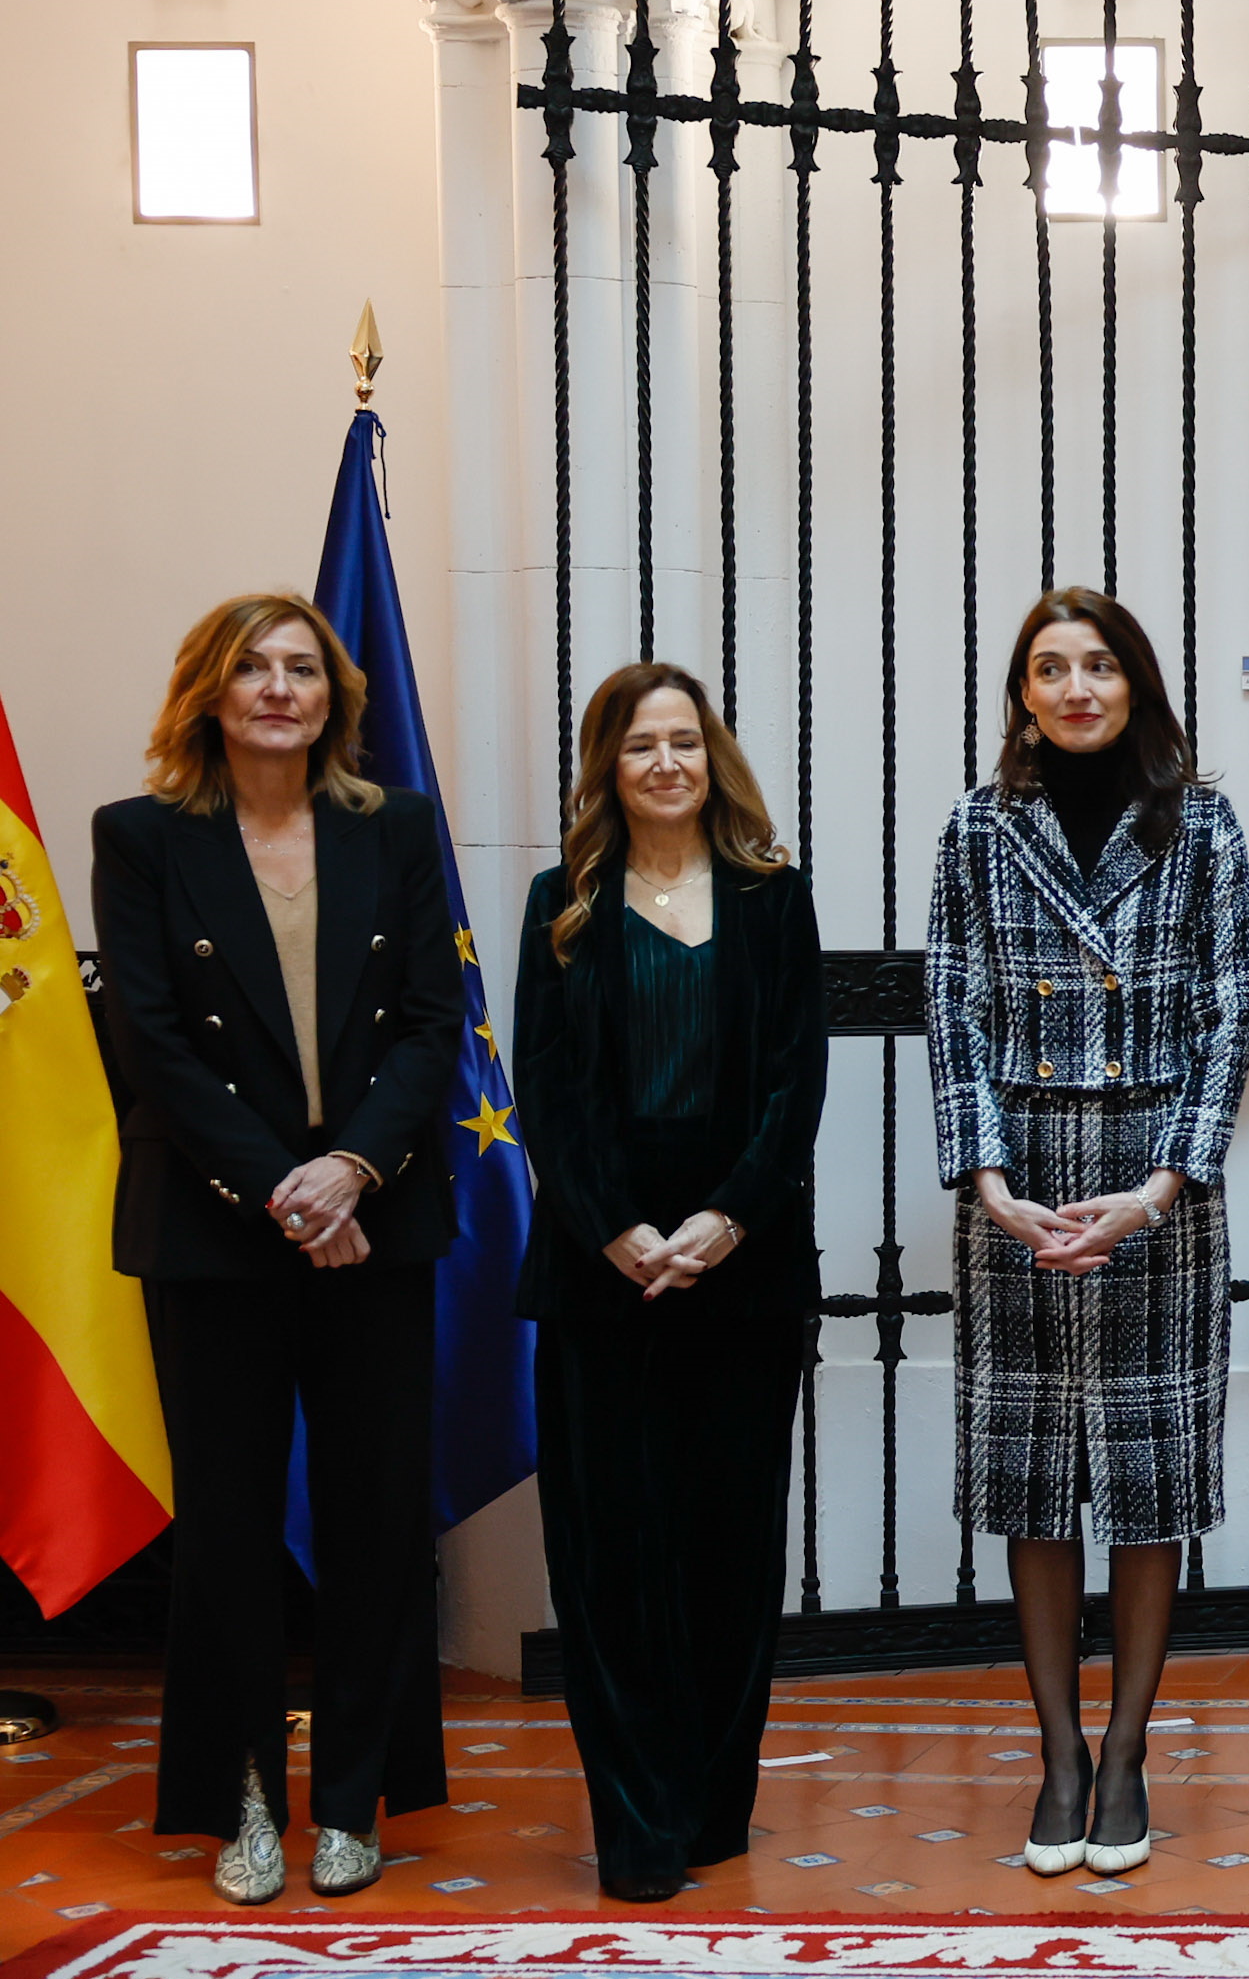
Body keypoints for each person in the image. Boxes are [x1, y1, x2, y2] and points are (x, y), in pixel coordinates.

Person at [92, 593, 464, 1905]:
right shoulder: (140, 839)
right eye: (250, 666)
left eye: (302, 666)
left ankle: (353, 1800)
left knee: (374, 1523)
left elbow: (434, 1024)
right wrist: (285, 1189)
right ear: (207, 688)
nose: (277, 686)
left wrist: (350, 1165)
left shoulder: (399, 829)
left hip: (378, 1214)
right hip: (214, 1228)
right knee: (232, 1531)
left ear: (334, 696)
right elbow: (151, 1045)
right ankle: (246, 1791)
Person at [927, 589, 1249, 1880]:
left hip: (1154, 1183)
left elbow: (1234, 1008)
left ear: (1137, 685)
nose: (1075, 687)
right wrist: (988, 1176)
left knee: (1146, 1474)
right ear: (1020, 693)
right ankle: (1056, 1753)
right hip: (1021, 1182)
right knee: (1034, 1473)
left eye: (1099, 665)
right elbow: (949, 999)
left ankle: (1127, 1754)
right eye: (1050, 668)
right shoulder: (977, 826)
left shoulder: (1203, 824)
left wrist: (1167, 1180)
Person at [512, 662, 825, 1903]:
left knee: (726, 1552)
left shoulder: (771, 898)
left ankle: (709, 1811)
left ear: (714, 758)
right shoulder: (561, 904)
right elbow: (547, 1096)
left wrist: (725, 1221)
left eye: (683, 742)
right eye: (638, 744)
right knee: (610, 1559)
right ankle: (636, 1826)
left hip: (741, 1278)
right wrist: (617, 1233)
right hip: (604, 1283)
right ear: (606, 766)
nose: (663, 764)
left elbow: (794, 1084)